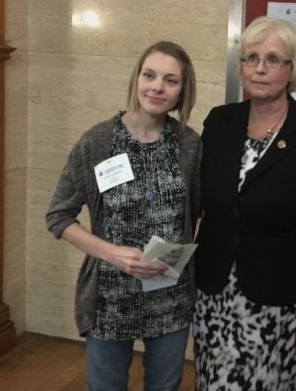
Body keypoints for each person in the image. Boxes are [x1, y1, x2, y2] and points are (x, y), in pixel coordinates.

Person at [193, 16, 296, 390]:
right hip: (213, 296)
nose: (260, 68)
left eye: (274, 59)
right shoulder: (219, 122)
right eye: (251, 57)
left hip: (279, 304)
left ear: (293, 69)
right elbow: (207, 209)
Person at [45, 41, 201, 391]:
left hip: (169, 294)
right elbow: (58, 216)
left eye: (170, 80)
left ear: (182, 92)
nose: (157, 87)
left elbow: (201, 213)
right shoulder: (98, 142)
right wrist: (111, 253)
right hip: (108, 298)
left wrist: (183, 255)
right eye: (149, 75)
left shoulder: (190, 145)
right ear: (136, 79)